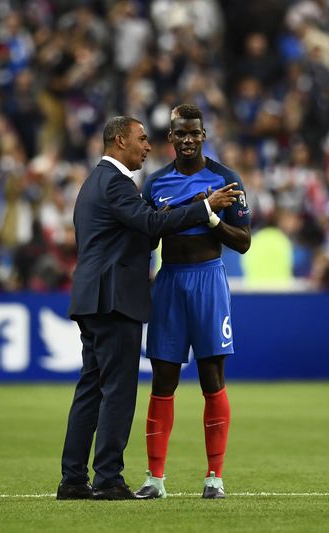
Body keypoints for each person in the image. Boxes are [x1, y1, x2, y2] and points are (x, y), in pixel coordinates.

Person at [57, 116, 242, 501]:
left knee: (91, 388)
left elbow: (141, 226)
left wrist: (193, 206)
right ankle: (109, 479)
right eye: (141, 139)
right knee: (119, 390)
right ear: (119, 140)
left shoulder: (95, 183)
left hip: (95, 297)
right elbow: (148, 223)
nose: (147, 146)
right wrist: (204, 207)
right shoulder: (120, 184)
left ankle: (73, 478)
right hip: (114, 299)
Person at [137, 104, 251, 500]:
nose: (187, 140)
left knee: (212, 380)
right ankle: (155, 478)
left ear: (204, 135)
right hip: (169, 282)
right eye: (180, 134)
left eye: (194, 134)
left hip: (209, 281)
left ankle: (214, 477)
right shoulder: (154, 184)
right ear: (170, 138)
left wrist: (215, 220)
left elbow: (244, 242)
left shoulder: (226, 179)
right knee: (162, 381)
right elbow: (145, 236)